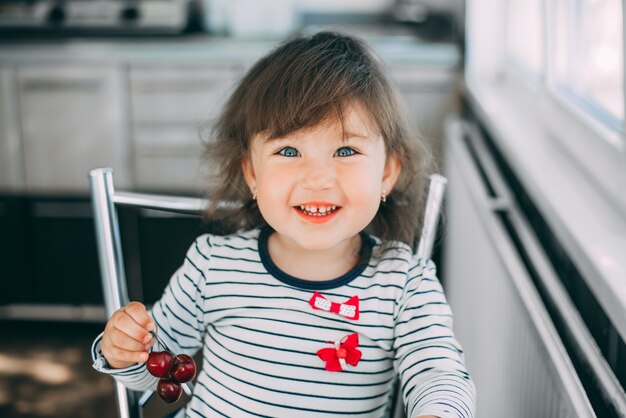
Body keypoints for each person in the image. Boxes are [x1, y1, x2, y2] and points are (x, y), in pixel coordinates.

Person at [91, 31, 476, 418]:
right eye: (288, 151)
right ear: (252, 173)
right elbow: (152, 370)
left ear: (387, 174)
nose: (318, 178)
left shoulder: (404, 283)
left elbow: (438, 374)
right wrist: (124, 348)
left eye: (346, 150)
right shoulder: (213, 266)